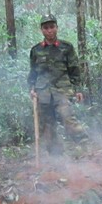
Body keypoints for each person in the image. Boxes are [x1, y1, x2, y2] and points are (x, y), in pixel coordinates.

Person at [27, 14, 86, 155]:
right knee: (47, 126)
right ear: (41, 30)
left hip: (62, 90)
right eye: (46, 28)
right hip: (43, 93)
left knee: (68, 118)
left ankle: (85, 147)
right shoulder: (36, 50)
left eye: (52, 27)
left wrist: (77, 89)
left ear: (57, 28)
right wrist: (32, 89)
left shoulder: (67, 47)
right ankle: (56, 156)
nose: (49, 30)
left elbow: (74, 69)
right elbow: (33, 73)